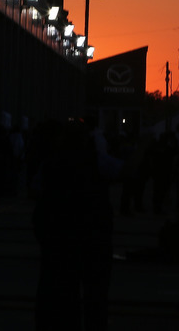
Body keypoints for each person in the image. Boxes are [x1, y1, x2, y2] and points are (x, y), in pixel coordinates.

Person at [32, 119, 119, 331]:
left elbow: (36, 191)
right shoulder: (95, 161)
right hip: (93, 238)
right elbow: (126, 172)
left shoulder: (51, 164)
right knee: (95, 297)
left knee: (61, 294)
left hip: (59, 239)